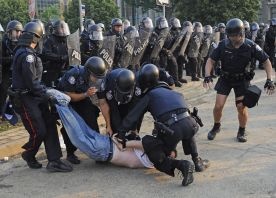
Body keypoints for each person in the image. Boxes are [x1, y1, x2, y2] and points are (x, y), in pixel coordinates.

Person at [116, 64, 209, 186]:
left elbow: (133, 116)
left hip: (173, 130)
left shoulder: (149, 95)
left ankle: (182, 165)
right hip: (191, 123)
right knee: (186, 127)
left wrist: (121, 134)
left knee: (152, 148)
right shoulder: (175, 93)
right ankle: (196, 160)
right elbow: (184, 117)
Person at [10, 22, 72, 172]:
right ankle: (29, 154)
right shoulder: (26, 55)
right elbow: (31, 82)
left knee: (50, 123)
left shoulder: (29, 52)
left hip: (35, 96)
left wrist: (46, 92)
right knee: (39, 130)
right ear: (36, 37)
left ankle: (54, 161)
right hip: (26, 98)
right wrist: (48, 94)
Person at [203, 18, 275, 143]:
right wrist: (207, 75)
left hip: (242, 80)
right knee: (218, 106)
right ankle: (216, 126)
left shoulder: (251, 46)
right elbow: (210, 60)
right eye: (229, 35)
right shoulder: (222, 45)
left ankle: (242, 130)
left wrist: (270, 80)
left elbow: (266, 61)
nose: (231, 38)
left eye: (234, 36)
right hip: (225, 78)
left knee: (241, 107)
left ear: (241, 34)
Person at [57, 56, 107, 164]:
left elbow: (102, 102)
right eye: (95, 76)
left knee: (92, 117)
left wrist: (109, 124)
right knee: (70, 125)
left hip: (82, 98)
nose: (97, 79)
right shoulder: (73, 74)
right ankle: (70, 153)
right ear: (88, 72)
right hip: (66, 101)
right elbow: (69, 96)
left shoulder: (98, 80)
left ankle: (98, 150)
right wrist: (86, 94)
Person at [0, 20, 23, 116]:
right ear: (9, 32)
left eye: (18, 31)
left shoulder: (22, 43)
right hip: (7, 72)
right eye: (14, 31)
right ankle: (1, 112)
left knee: (19, 93)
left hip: (18, 73)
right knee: (3, 91)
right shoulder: (3, 43)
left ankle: (17, 112)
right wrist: (11, 59)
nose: (16, 34)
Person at [42, 20, 70, 87]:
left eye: (63, 28)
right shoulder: (50, 40)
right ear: (55, 29)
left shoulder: (66, 40)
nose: (62, 31)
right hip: (53, 70)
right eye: (60, 29)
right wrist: (61, 57)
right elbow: (46, 54)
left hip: (65, 69)